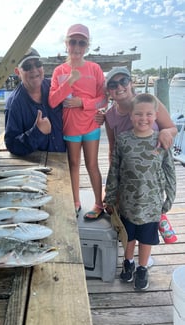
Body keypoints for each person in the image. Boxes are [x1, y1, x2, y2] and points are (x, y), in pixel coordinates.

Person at [96, 66, 177, 267]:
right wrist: (111, 188)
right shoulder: (110, 115)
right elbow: (113, 149)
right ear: (109, 91)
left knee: (149, 222)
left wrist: (167, 133)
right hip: (128, 175)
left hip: (153, 175)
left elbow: (171, 127)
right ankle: (130, 260)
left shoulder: (149, 101)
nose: (119, 87)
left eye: (123, 81)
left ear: (131, 82)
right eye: (113, 84)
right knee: (128, 223)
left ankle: (145, 257)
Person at [104, 93, 176, 290]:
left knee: (146, 238)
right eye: (138, 114)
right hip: (127, 202)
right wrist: (109, 197)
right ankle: (128, 263)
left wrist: (170, 197)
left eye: (148, 114)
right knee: (128, 236)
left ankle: (142, 268)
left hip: (152, 204)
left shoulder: (161, 141)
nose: (143, 118)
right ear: (131, 116)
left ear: (155, 115)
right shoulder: (123, 140)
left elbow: (170, 170)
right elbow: (114, 170)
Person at [49, 24, 107, 218]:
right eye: (73, 41)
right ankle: (75, 202)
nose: (77, 46)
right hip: (70, 127)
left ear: (87, 46)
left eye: (81, 42)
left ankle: (99, 204)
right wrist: (70, 82)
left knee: (92, 165)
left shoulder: (95, 68)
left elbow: (104, 99)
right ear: (66, 44)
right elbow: (53, 100)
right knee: (73, 164)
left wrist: (82, 102)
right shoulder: (59, 71)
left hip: (91, 125)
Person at [4, 47, 66, 156]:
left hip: (66, 159)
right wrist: (37, 132)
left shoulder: (56, 87)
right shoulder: (14, 104)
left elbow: (75, 108)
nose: (34, 69)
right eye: (27, 66)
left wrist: (95, 115)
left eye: (38, 64)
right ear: (17, 72)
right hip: (39, 165)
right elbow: (12, 145)